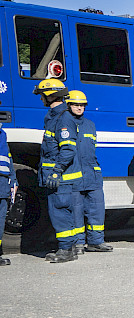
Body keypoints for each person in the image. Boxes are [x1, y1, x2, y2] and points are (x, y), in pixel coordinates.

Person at [35, 78, 79, 263]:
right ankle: (69, 248)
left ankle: (65, 250)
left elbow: (68, 149)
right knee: (60, 211)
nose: (40, 99)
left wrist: (56, 171)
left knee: (60, 212)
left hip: (59, 178)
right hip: (55, 176)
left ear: (50, 95)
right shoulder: (54, 117)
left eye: (42, 95)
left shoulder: (63, 118)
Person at [69, 91, 112, 252]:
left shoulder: (90, 124)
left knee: (96, 209)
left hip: (92, 175)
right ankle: (78, 243)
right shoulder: (64, 123)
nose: (79, 108)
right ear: (69, 105)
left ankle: (96, 241)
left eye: (82, 105)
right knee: (76, 210)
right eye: (76, 104)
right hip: (74, 174)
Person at [0, 121, 13, 265]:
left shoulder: (2, 134)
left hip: (2, 184)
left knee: (0, 221)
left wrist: (13, 180)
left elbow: (8, 158)